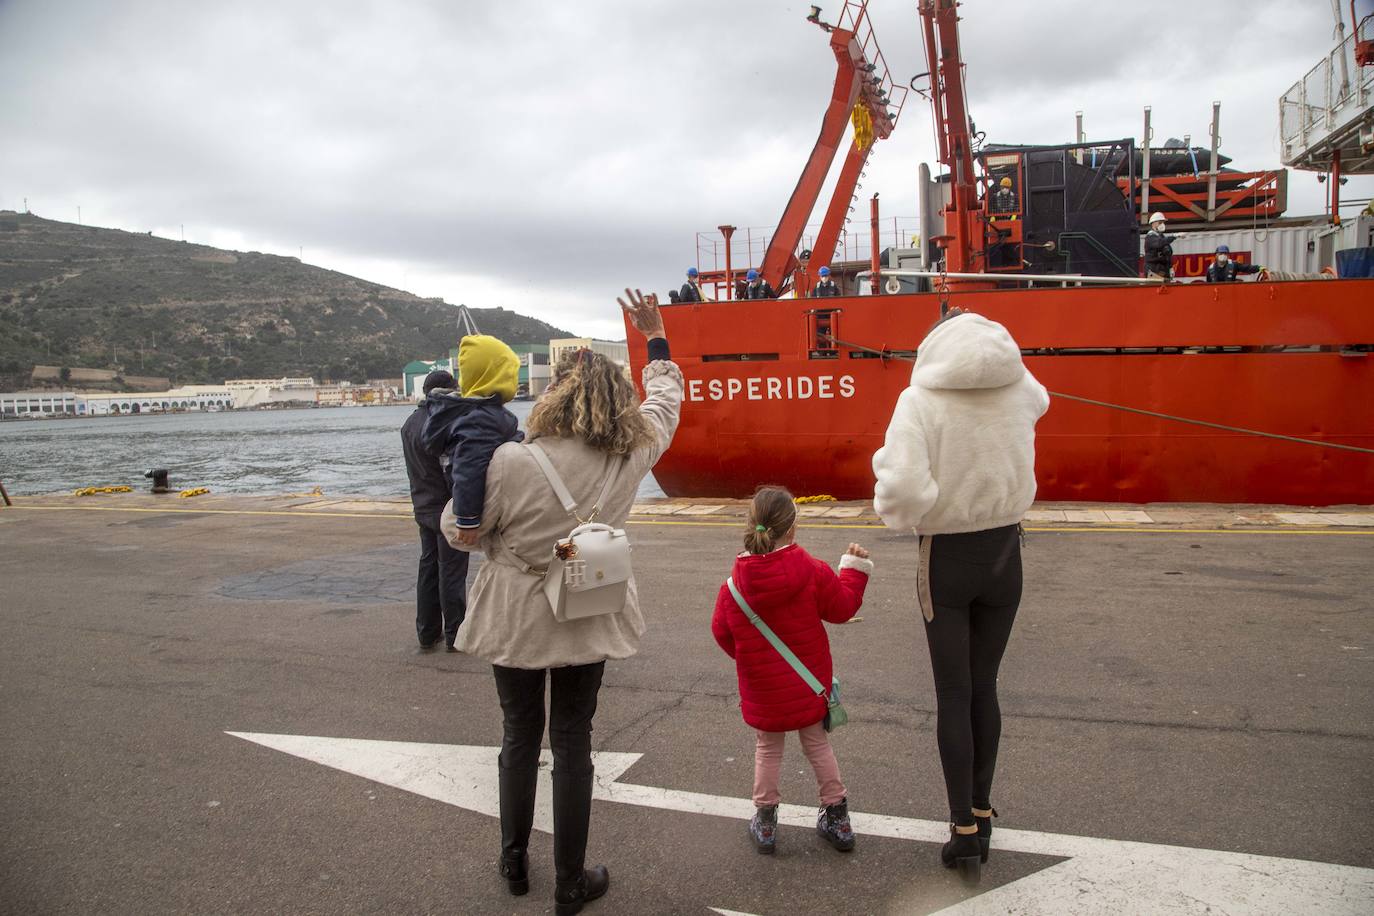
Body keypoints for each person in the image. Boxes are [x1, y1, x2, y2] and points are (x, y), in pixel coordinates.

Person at [445, 289, 681, 914]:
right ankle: (571, 882)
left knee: (519, 733)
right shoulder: (631, 454)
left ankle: (514, 860)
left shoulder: (509, 460)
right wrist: (655, 338)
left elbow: (458, 529)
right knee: (574, 739)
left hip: (516, 617)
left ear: (554, 397)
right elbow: (664, 404)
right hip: (588, 600)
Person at [871, 308, 1049, 886]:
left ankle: (963, 832)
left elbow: (901, 488)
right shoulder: (1019, 387)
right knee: (985, 686)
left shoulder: (919, 400)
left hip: (946, 555)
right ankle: (983, 811)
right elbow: (1041, 402)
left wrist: (906, 511)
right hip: (1006, 553)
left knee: (953, 691)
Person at [711, 486, 872, 856]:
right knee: (817, 744)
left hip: (764, 689)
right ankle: (837, 818)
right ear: (793, 529)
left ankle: (766, 823)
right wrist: (853, 570)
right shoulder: (812, 571)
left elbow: (722, 633)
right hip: (808, 684)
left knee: (768, 749)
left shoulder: (732, 588)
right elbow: (842, 608)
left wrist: (752, 660)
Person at [421, 335, 524, 547]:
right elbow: (469, 467)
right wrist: (467, 518)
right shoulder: (482, 418)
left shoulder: (475, 412)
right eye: (510, 373)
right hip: (480, 502)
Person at [400, 369, 469, 651]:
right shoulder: (442, 422)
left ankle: (427, 632)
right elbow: (451, 470)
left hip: (422, 506)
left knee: (428, 568)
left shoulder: (410, 423)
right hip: (445, 508)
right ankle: (456, 634)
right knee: (451, 571)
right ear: (446, 390)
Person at [1143, 211, 1176, 279]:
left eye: (1163, 222)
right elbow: (1159, 243)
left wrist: (1170, 268)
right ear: (1153, 223)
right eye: (1160, 222)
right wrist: (1173, 236)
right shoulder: (1150, 237)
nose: (1162, 225)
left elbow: (1168, 253)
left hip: (1163, 271)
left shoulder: (1161, 237)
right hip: (1154, 271)